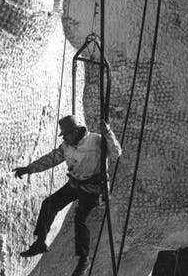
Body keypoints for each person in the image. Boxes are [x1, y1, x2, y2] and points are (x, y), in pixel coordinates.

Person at [13, 114, 122, 276]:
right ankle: (40, 242)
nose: (65, 138)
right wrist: (29, 169)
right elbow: (50, 159)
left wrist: (108, 133)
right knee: (50, 204)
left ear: (76, 131)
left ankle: (83, 260)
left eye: (67, 134)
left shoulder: (97, 140)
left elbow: (116, 153)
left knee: (80, 218)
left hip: (94, 188)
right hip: (75, 184)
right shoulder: (66, 147)